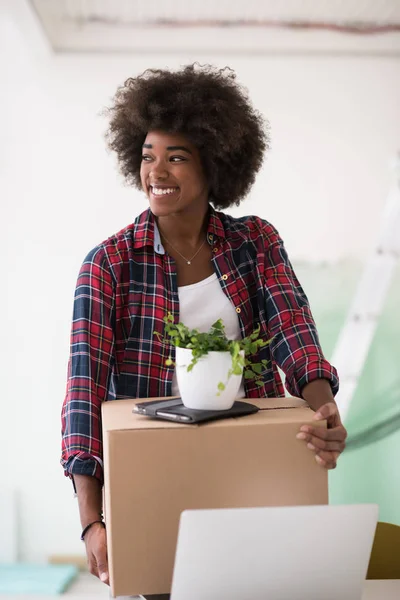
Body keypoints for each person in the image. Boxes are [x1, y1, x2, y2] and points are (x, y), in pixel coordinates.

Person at [61, 64, 347, 594]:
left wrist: (323, 403)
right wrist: (91, 520)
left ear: (214, 165)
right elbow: (84, 394)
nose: (157, 171)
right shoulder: (109, 264)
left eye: (176, 157)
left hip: (250, 469)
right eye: (148, 156)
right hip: (153, 477)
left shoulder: (255, 243)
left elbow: (293, 331)